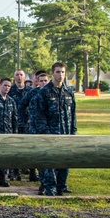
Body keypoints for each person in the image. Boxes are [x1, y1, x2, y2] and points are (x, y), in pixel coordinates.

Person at [31, 63, 77, 196]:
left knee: (64, 162)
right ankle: (49, 188)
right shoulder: (44, 92)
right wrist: (44, 132)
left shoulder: (69, 92)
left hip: (65, 134)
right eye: (58, 72)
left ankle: (61, 187)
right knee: (49, 164)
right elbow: (38, 115)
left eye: (62, 72)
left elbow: (73, 114)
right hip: (50, 134)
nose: (60, 75)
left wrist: (73, 131)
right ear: (52, 73)